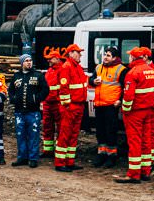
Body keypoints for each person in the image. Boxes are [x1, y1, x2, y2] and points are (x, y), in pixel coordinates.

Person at [115, 46, 154, 183]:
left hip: (135, 113)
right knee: (147, 141)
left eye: (130, 56)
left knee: (134, 142)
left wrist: (125, 109)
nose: (129, 58)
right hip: (149, 111)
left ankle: (133, 174)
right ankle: (145, 172)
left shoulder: (132, 72)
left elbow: (129, 96)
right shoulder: (152, 70)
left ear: (133, 58)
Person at [9, 53, 48, 167]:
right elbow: (10, 90)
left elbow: (45, 89)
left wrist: (37, 98)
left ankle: (33, 158)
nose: (29, 62)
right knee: (20, 135)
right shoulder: (16, 76)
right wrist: (13, 99)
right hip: (19, 112)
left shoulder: (38, 75)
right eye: (26, 60)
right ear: (22, 63)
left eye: (30, 60)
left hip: (33, 112)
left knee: (33, 135)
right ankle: (22, 157)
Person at [55, 43, 88, 172]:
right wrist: (67, 105)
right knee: (65, 134)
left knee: (74, 135)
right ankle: (60, 162)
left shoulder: (77, 67)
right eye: (78, 52)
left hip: (78, 106)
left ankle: (69, 161)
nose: (80, 55)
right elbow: (64, 88)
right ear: (71, 54)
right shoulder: (67, 67)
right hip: (70, 107)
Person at [91, 46, 125, 167]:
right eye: (105, 54)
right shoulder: (99, 67)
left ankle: (112, 156)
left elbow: (126, 87)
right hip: (99, 104)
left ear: (114, 58)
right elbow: (91, 79)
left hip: (111, 106)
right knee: (100, 131)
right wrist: (93, 81)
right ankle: (101, 154)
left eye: (108, 55)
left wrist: (120, 100)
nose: (105, 57)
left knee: (110, 131)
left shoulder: (121, 69)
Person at [41, 47, 63, 158]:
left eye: (51, 59)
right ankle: (48, 151)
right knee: (47, 127)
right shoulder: (49, 71)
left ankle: (59, 152)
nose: (48, 61)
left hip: (57, 103)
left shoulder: (62, 70)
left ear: (57, 59)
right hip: (48, 103)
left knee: (60, 128)